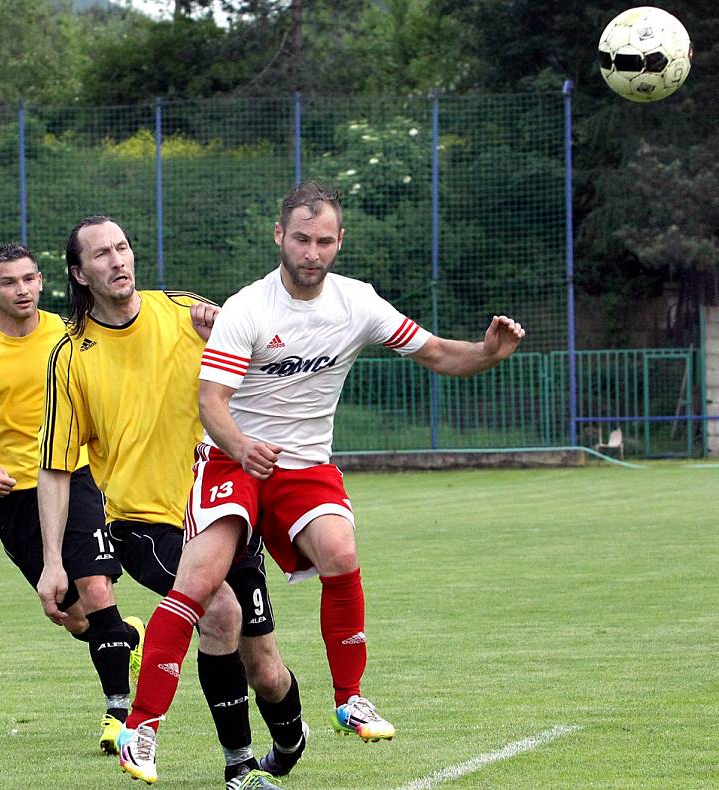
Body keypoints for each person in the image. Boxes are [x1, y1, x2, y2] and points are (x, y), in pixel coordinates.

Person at [119, 180, 527, 773]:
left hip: (305, 464)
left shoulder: (358, 302)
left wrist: (488, 352)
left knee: (340, 551)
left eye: (325, 242)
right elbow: (211, 401)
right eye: (302, 239)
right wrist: (241, 445)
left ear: (340, 243)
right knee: (201, 582)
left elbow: (438, 353)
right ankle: (141, 728)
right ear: (280, 236)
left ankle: (349, 700)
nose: (312, 252)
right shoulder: (248, 308)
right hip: (232, 458)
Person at [36, 216, 307, 789]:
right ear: (80, 273)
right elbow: (57, 469)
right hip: (144, 524)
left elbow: (269, 353)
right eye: (101, 255)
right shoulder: (70, 357)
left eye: (122, 247)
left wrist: (228, 330)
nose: (117, 261)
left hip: (223, 511)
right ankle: (239, 768)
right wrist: (54, 563)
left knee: (265, 668)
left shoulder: (185, 311)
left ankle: (288, 743)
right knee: (221, 612)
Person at [0, 242, 144, 755]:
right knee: (71, 614)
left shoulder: (70, 335)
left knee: (96, 588)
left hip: (79, 478)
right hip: (17, 498)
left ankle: (119, 716)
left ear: (42, 281)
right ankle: (124, 637)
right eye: (8, 282)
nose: (21, 290)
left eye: (28, 279)